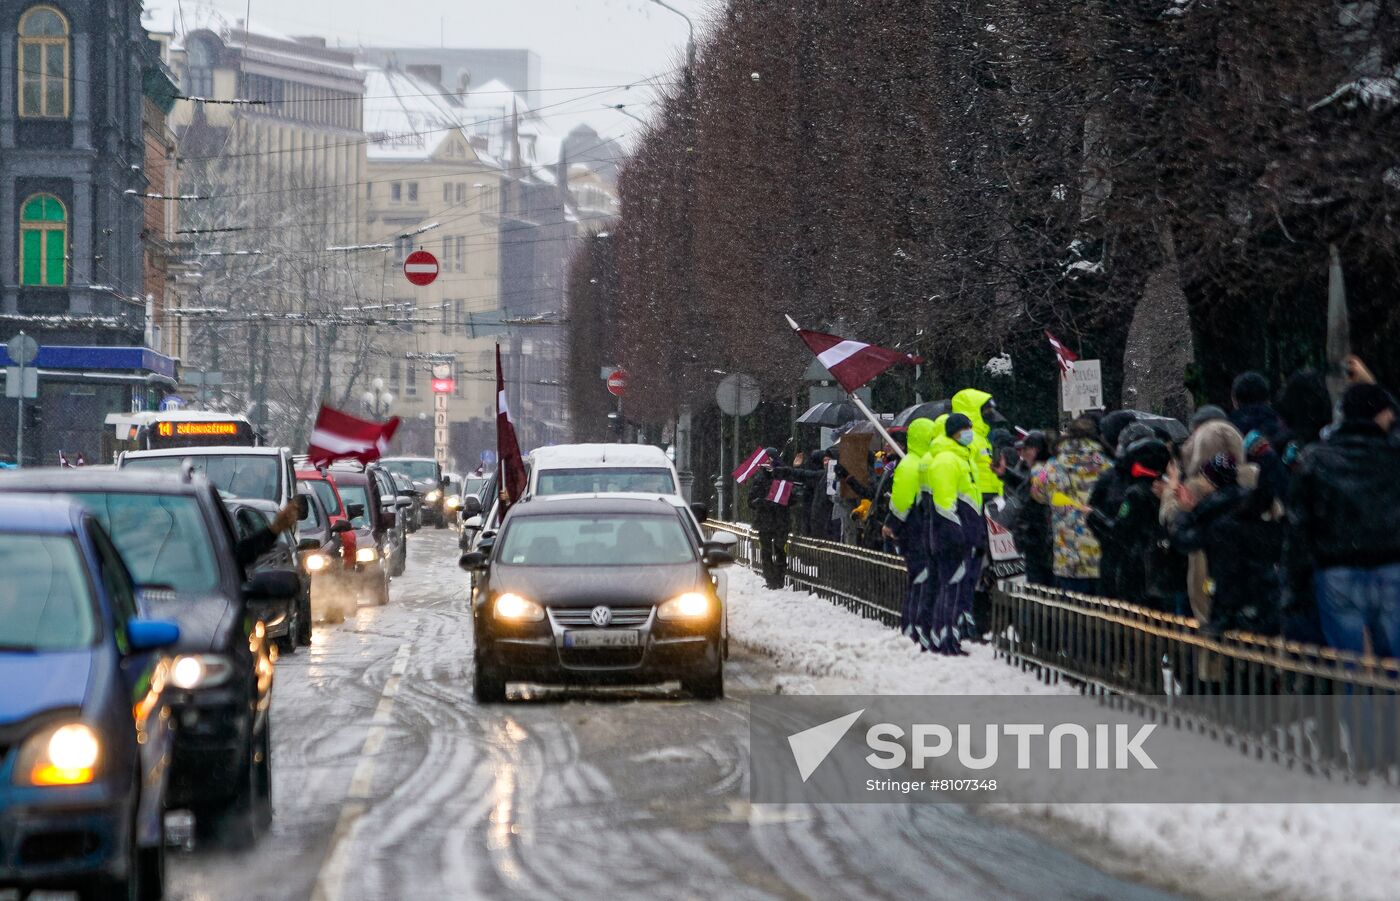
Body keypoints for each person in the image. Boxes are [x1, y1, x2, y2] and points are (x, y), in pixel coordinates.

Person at [1284, 383, 1400, 656]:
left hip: (1337, 570)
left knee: (1351, 664)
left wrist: (1294, 588)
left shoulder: (1316, 459)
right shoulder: (1392, 454)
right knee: (1394, 662)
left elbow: (1299, 529)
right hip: (1390, 566)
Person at [1171, 452, 1284, 637]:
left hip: (1227, 597)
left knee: (1231, 652)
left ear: (1209, 480)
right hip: (1265, 592)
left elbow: (1185, 541)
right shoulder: (1254, 503)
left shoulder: (1210, 512)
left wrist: (1184, 512)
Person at [1088, 439, 1180, 609]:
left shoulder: (1135, 494)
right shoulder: (1166, 491)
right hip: (1160, 571)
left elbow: (1119, 532)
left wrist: (1094, 517)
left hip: (1136, 570)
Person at [1031, 418, 1112, 594]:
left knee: (1073, 614)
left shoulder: (1052, 466)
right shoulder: (1106, 464)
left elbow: (1037, 493)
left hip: (1068, 557)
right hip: (1099, 554)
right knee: (1104, 613)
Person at [921, 414, 979, 654]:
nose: (969, 433)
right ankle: (945, 639)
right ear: (954, 432)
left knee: (951, 586)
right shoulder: (947, 460)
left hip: (957, 534)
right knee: (951, 587)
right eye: (965, 428)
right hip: (951, 535)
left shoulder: (959, 458)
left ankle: (946, 637)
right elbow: (945, 503)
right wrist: (958, 533)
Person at [882, 418, 935, 639]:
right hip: (938, 529)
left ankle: (913, 624)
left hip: (915, 529)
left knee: (917, 579)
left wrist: (891, 524)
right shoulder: (936, 462)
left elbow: (901, 501)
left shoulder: (909, 464)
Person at [1002, 430, 1053, 586]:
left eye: (1025, 450)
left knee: (1040, 589)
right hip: (1039, 541)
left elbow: (1026, 496)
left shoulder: (1042, 471)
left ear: (1036, 450)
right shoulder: (1035, 469)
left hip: (1040, 539)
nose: (1022, 455)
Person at [748, 448, 794, 590]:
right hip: (764, 522)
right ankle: (770, 580)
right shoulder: (759, 478)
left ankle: (779, 580)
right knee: (766, 552)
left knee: (780, 550)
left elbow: (791, 498)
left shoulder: (784, 476)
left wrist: (779, 502)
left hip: (781, 521)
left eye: (770, 459)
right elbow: (751, 500)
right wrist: (759, 502)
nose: (767, 463)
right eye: (765, 460)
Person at [950, 388, 1007, 500]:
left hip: (988, 495)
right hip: (977, 496)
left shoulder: (981, 437)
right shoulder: (967, 438)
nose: (988, 414)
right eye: (986, 410)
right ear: (973, 411)